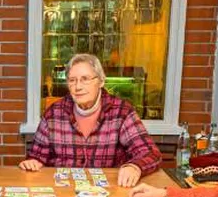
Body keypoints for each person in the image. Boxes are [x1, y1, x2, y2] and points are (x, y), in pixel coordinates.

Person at [19, 53, 162, 187]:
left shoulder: (121, 112)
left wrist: (135, 167)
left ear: (101, 81)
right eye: (72, 80)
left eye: (85, 79)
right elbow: (36, 156)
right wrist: (32, 162)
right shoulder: (53, 113)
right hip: (63, 191)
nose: (78, 87)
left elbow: (150, 153)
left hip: (109, 191)